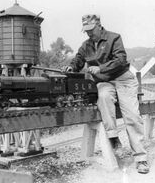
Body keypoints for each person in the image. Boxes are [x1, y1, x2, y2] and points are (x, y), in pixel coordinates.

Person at [63, 14, 149, 174]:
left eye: (91, 29)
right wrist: (71, 67)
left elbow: (121, 60)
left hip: (123, 79)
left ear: (99, 25)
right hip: (104, 82)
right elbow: (78, 59)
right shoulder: (86, 45)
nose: (88, 33)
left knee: (131, 115)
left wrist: (100, 68)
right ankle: (114, 138)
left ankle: (141, 158)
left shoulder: (114, 38)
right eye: (86, 30)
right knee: (103, 97)